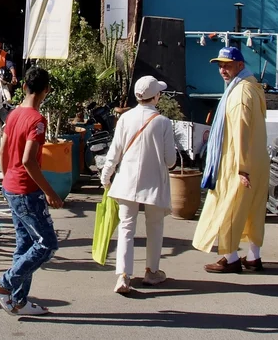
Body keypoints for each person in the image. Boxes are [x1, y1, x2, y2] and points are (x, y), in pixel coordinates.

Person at [0, 66, 62, 316]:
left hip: (12, 185)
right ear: (46, 90)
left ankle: (19, 301)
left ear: (23, 87)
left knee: (25, 243)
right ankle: (4, 284)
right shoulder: (37, 121)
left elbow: (4, 147)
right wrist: (50, 191)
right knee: (47, 244)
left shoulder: (14, 114)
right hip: (26, 190)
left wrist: (6, 175)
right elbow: (30, 160)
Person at [192, 47, 269, 273]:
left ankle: (231, 257)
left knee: (229, 210)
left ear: (240, 66)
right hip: (257, 160)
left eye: (227, 65)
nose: (223, 69)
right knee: (253, 210)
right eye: (220, 65)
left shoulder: (240, 93)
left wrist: (242, 168)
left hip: (238, 162)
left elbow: (241, 130)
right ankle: (254, 256)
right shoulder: (252, 87)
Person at [100, 76, 177, 294]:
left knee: (126, 227)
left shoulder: (125, 118)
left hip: (127, 181)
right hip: (154, 183)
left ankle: (123, 276)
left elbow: (114, 151)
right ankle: (152, 271)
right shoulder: (163, 122)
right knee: (155, 226)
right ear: (156, 96)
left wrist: (106, 177)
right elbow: (170, 160)